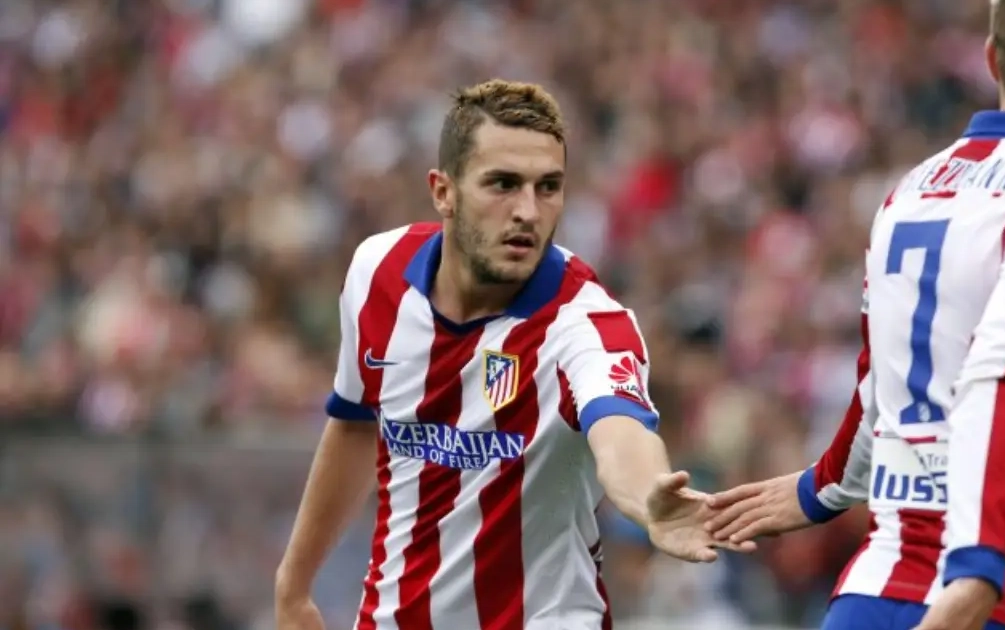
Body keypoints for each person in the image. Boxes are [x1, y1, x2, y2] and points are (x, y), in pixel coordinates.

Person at [705, 1, 1005, 629]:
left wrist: (820, 489)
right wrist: (977, 567)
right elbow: (1004, 365)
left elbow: (878, 382)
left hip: (870, 595)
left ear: (993, 59)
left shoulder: (911, 190)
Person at [274, 79, 751, 630]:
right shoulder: (376, 272)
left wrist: (649, 499)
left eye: (548, 187)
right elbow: (356, 424)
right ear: (443, 192)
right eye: (503, 184)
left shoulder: (587, 325)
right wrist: (294, 583)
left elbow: (621, 435)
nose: (528, 210)